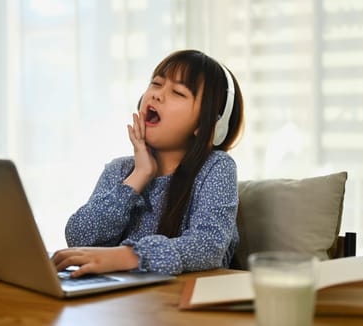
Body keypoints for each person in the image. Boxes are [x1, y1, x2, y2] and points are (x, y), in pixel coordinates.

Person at [52, 49, 244, 277]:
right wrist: (139, 175)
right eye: (156, 83)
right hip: (124, 300)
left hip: (181, 302)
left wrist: (128, 256)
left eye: (178, 93)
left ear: (205, 125)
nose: (157, 95)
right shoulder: (120, 170)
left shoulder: (216, 167)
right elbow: (79, 238)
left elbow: (208, 246)